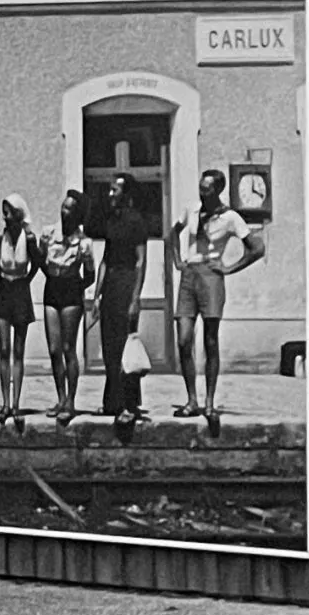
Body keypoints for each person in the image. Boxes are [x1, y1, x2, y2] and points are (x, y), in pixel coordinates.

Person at [167, 168, 265, 433]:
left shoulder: (231, 217)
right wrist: (178, 260)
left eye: (207, 188)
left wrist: (230, 268)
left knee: (211, 339)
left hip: (211, 276)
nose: (202, 191)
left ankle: (209, 402)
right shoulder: (192, 210)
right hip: (190, 275)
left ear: (217, 190)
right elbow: (172, 233)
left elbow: (257, 248)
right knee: (184, 339)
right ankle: (191, 399)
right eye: (201, 186)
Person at [95, 175, 152, 438]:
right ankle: (112, 401)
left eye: (114, 189)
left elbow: (141, 261)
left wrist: (135, 297)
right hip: (111, 285)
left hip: (127, 281)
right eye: (109, 189)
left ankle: (129, 403)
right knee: (109, 344)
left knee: (125, 346)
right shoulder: (112, 220)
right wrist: (96, 296)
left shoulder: (136, 221)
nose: (110, 193)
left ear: (125, 193)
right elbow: (105, 260)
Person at [36, 190, 97, 428]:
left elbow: (90, 275)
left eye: (70, 209)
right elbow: (40, 260)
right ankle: (60, 397)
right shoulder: (48, 235)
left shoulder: (83, 243)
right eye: (63, 207)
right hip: (52, 289)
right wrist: (52, 277)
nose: (64, 212)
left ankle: (70, 400)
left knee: (69, 347)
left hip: (71, 292)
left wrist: (75, 287)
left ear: (78, 215)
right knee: (53, 348)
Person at [0, 198, 41, 426]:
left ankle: (16, 403)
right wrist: (5, 279)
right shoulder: (1, 237)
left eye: (9, 213)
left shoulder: (28, 238)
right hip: (4, 290)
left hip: (20, 291)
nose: (5, 217)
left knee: (18, 350)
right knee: (4, 349)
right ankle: (5, 403)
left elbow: (36, 264)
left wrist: (25, 281)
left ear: (18, 215)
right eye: (4, 212)